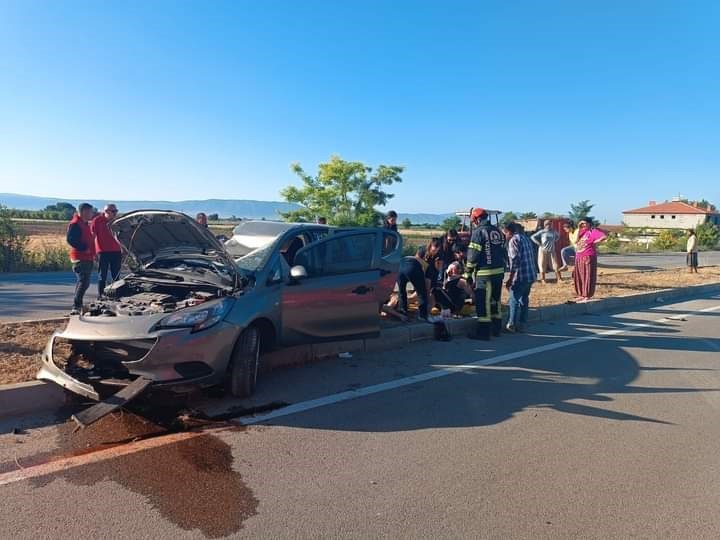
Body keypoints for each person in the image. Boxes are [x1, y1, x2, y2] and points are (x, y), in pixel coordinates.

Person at [463, 207, 506, 339]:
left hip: (485, 273)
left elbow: (472, 256)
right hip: (499, 272)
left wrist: (467, 274)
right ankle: (496, 329)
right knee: (495, 301)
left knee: (483, 303)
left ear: (476, 219)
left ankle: (483, 333)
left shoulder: (478, 232)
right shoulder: (497, 231)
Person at [503, 222, 536, 332]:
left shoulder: (513, 241)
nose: (505, 236)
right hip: (530, 274)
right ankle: (522, 323)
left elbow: (515, 262)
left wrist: (510, 279)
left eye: (505, 233)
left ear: (508, 231)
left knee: (514, 300)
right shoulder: (525, 238)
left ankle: (511, 324)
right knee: (524, 299)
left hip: (520, 276)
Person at [66, 203, 96, 315]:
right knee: (83, 282)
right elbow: (70, 239)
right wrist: (84, 248)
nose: (92, 214)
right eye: (90, 212)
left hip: (87, 257)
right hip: (80, 257)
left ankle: (78, 305)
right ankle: (76, 307)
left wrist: (93, 253)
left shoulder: (84, 223)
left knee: (83, 282)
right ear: (83, 211)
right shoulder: (75, 224)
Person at [91, 204, 122, 298]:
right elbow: (92, 237)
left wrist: (124, 249)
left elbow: (123, 237)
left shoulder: (117, 222)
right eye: (113, 211)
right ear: (106, 211)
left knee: (116, 275)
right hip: (103, 251)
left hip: (116, 251)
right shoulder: (97, 221)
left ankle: (117, 295)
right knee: (102, 275)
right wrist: (93, 253)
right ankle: (100, 295)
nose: (115, 213)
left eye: (116, 211)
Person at [572, 220, 607, 302]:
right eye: (581, 223)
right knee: (579, 276)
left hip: (588, 256)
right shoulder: (581, 232)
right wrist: (578, 228)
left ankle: (587, 294)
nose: (583, 225)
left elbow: (604, 236)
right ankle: (580, 294)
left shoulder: (593, 231)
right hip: (579, 256)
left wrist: (594, 242)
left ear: (589, 224)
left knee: (587, 276)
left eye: (585, 223)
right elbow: (576, 241)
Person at [396, 246, 430, 320]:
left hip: (400, 267)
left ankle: (402, 312)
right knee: (421, 292)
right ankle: (422, 315)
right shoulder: (422, 262)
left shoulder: (408, 256)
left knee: (401, 291)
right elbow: (424, 280)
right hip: (413, 267)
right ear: (425, 256)